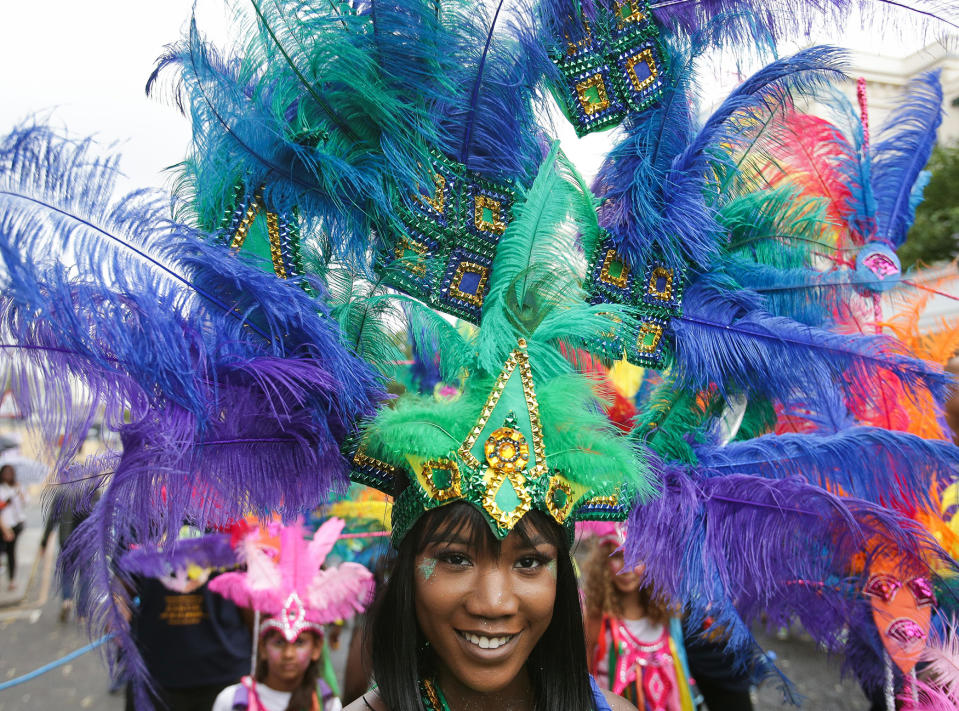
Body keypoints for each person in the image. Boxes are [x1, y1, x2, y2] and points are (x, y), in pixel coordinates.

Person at [210, 518, 374, 711]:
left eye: (299, 642)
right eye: (279, 642)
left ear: (316, 648)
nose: (288, 655)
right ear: (262, 647)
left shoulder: (327, 703)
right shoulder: (232, 702)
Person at [583, 526, 695, 711]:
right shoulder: (596, 620)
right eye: (617, 556)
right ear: (604, 563)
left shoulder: (667, 616)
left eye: (636, 557)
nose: (627, 567)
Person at [0, 464, 27, 590]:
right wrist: (6, 503)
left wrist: (20, 493)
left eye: (9, 473)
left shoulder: (18, 486)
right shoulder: (1, 488)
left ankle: (12, 579)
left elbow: (25, 502)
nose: (7, 475)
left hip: (16, 523)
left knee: (11, 551)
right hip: (4, 524)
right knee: (5, 551)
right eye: (5, 473)